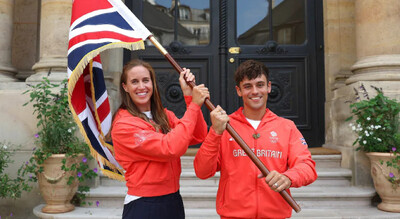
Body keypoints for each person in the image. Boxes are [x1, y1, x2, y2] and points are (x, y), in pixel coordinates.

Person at [194, 60, 317, 219]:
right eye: (247, 86)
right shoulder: (224, 126)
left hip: (275, 215)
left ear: (269, 87)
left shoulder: (287, 127)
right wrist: (215, 133)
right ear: (239, 91)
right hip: (233, 215)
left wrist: (288, 177)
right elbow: (202, 171)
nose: (255, 91)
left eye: (260, 85)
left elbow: (307, 167)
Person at [111, 59, 209, 219]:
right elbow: (170, 148)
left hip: (173, 199)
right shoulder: (124, 125)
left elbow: (197, 135)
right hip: (144, 205)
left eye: (145, 80)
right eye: (134, 82)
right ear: (125, 87)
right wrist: (194, 106)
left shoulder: (163, 115)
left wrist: (189, 96)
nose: (141, 87)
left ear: (152, 83)